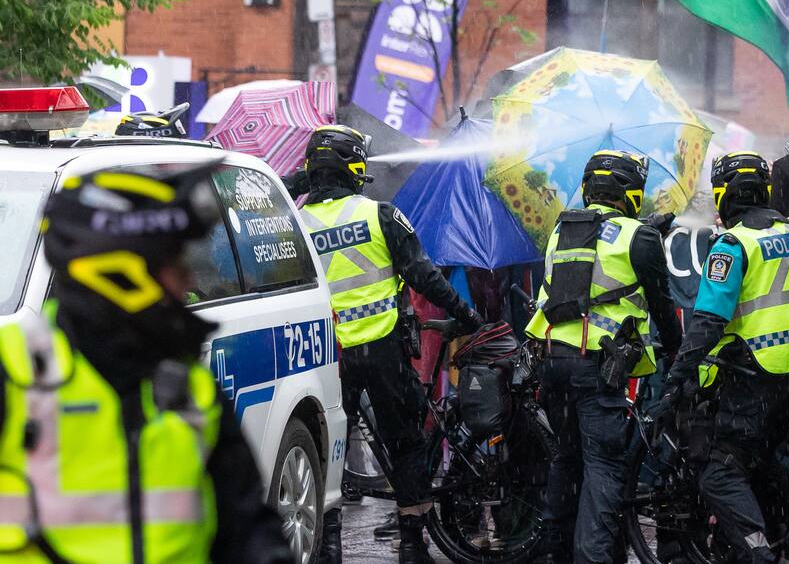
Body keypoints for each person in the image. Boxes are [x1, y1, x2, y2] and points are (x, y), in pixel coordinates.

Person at [0, 167, 291, 564]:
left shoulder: (190, 386)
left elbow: (247, 528)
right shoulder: (13, 372)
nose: (187, 280)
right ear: (119, 274)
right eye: (174, 265)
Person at [296, 125, 482, 563]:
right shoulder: (380, 214)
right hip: (382, 349)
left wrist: (302, 182)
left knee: (327, 447)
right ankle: (412, 541)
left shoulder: (295, 225)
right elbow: (424, 276)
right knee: (405, 443)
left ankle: (329, 543)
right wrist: (467, 314)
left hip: (328, 358)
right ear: (356, 168)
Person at [653, 151, 789, 564]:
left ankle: (756, 552)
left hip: (751, 376)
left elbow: (708, 321)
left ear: (725, 195)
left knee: (719, 470)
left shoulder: (733, 243)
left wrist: (676, 380)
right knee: (764, 463)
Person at [525, 150, 682, 563]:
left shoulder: (561, 230)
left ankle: (554, 554)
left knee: (566, 460)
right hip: (600, 369)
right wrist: (680, 359)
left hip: (554, 362)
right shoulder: (639, 237)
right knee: (604, 469)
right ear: (630, 193)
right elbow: (662, 306)